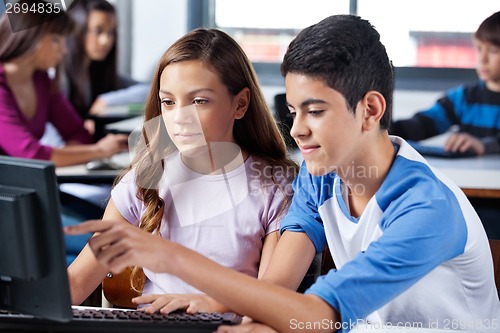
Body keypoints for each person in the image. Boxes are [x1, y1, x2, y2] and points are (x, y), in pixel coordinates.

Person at [66, 14, 500, 332]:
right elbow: (275, 294)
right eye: (293, 111)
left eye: (315, 111)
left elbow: (315, 317)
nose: (296, 129)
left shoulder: (426, 209)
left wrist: (173, 259)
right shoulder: (319, 180)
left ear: (370, 109)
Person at [66, 28, 299, 313]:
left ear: (240, 104)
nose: (180, 119)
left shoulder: (274, 186)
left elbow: (273, 298)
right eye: (168, 102)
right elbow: (77, 281)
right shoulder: (146, 177)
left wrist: (208, 304)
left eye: (199, 101)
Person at [0, 0, 128, 167]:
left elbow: (78, 133)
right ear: (31, 37)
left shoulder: (42, 81)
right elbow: (29, 154)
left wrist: (64, 156)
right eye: (56, 40)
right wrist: (99, 150)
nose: (64, 49)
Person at [391, 10, 500, 156]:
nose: (482, 59)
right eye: (479, 49)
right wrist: (385, 131)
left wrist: (483, 146)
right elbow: (426, 123)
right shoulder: (463, 98)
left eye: (493, 51)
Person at [63, 0, 137, 123]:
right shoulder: (58, 78)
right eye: (98, 31)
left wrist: (107, 100)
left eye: (111, 32)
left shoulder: (99, 72)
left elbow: (150, 89)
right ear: (77, 29)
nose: (105, 40)